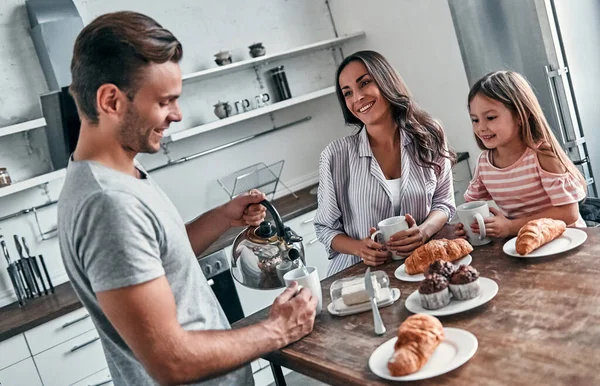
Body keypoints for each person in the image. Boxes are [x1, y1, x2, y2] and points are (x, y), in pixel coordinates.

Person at [58, 11, 317, 386]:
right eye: (164, 102)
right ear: (111, 100)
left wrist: (223, 218)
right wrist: (278, 330)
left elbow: (162, 257)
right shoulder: (108, 204)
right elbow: (171, 362)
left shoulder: (122, 176)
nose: (176, 115)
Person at [314, 50, 456, 276]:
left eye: (365, 83)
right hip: (361, 276)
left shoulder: (430, 134)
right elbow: (325, 229)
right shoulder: (335, 155)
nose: (357, 97)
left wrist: (424, 231)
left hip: (423, 267)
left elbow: (444, 203)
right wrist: (360, 248)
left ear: (386, 80)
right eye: (348, 93)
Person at [456, 70, 586, 240]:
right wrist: (468, 224)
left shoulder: (542, 155)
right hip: (526, 242)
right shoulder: (484, 164)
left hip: (566, 240)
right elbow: (471, 205)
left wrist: (511, 226)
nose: (481, 127)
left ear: (520, 115)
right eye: (475, 120)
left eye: (490, 117)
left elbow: (569, 213)